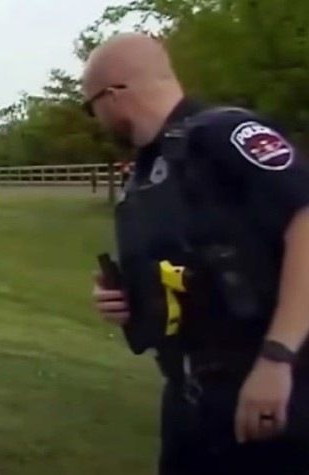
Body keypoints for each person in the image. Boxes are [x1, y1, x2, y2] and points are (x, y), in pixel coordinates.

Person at [85, 33, 309, 474]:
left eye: (89, 106)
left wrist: (276, 359)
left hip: (268, 386)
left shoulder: (223, 134)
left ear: (112, 96)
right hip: (191, 398)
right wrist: (128, 299)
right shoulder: (154, 167)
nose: (95, 119)